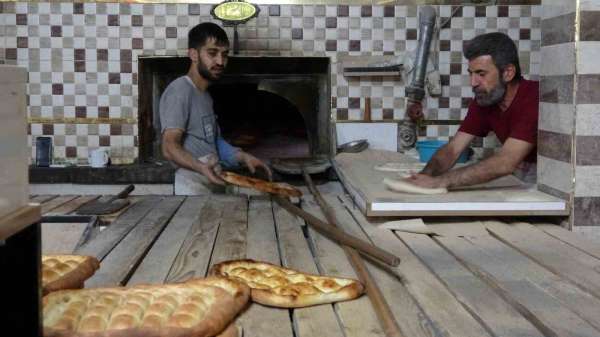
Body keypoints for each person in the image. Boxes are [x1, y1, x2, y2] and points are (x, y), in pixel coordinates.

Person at [406, 32, 538, 189]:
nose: (473, 82)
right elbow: (453, 149)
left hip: (550, 179)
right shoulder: (486, 99)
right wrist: (423, 176)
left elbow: (505, 162)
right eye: (471, 74)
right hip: (520, 174)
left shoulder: (534, 98)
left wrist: (440, 182)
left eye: (481, 74)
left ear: (508, 73)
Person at [159, 22, 272, 195]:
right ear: (193, 54)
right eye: (212, 53)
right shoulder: (179, 91)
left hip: (212, 178)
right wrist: (201, 167)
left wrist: (243, 157)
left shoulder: (205, 95)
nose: (220, 61)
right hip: (192, 184)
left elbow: (213, 142)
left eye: (224, 55)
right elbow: (169, 147)